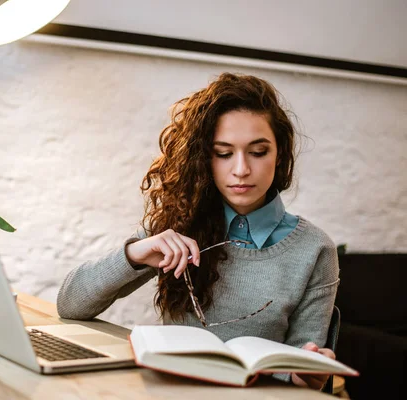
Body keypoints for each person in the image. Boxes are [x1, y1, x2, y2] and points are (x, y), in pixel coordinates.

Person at [56, 72, 339, 391]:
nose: (241, 169)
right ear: (204, 157)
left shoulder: (315, 249)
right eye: (223, 153)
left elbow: (302, 369)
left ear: (281, 155)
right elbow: (70, 305)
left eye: (258, 152)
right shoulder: (178, 222)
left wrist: (307, 374)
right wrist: (135, 255)